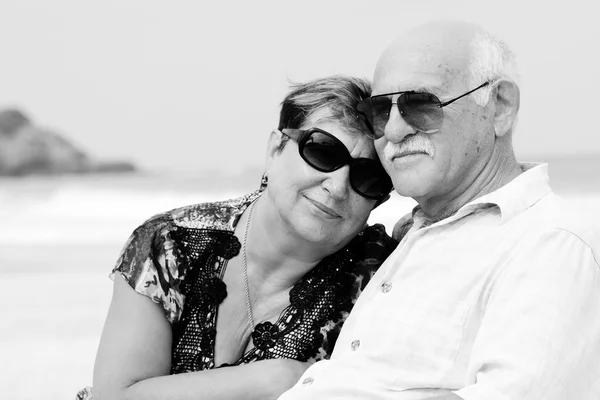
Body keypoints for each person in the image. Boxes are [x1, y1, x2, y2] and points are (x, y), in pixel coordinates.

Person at [278, 21, 600, 400]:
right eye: (380, 111)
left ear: (500, 107)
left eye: (421, 105)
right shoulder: (411, 235)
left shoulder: (548, 242)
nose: (393, 131)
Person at [76, 75, 398, 400]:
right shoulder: (171, 244)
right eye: (323, 152)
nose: (338, 186)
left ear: (379, 200)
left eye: (367, 177)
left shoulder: (385, 278)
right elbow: (114, 396)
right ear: (275, 149)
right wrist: (272, 380)